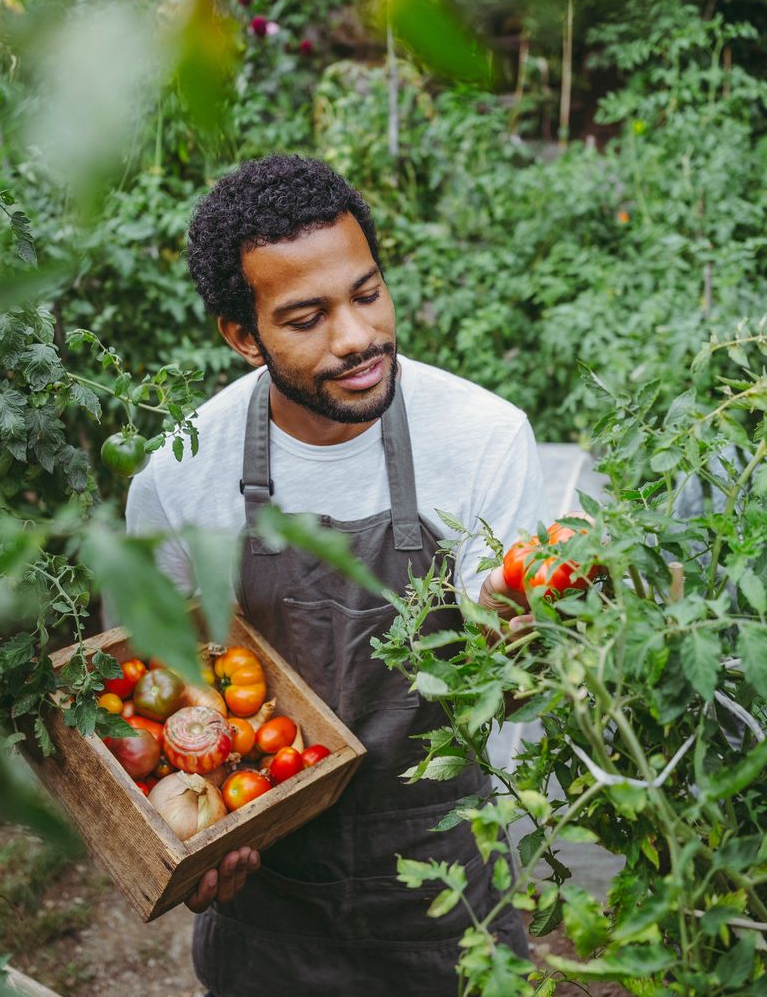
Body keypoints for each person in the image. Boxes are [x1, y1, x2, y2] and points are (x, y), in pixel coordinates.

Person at [126, 153, 545, 996]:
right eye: (307, 316)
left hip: (447, 887)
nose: (356, 337)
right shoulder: (180, 476)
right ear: (243, 336)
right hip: (269, 896)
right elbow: (158, 695)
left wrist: (513, 617)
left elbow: (511, 660)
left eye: (366, 293)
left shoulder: (481, 436)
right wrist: (187, 845)